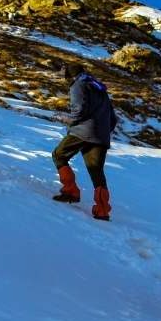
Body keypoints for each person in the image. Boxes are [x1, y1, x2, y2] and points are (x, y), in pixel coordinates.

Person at [52, 63, 117, 221]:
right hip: (101, 136)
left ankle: (71, 191)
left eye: (64, 71)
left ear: (70, 74)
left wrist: (66, 119)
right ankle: (102, 211)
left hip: (83, 132)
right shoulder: (97, 86)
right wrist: (101, 132)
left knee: (59, 155)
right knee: (96, 171)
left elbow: (79, 111)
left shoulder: (78, 85)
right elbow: (113, 119)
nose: (62, 74)